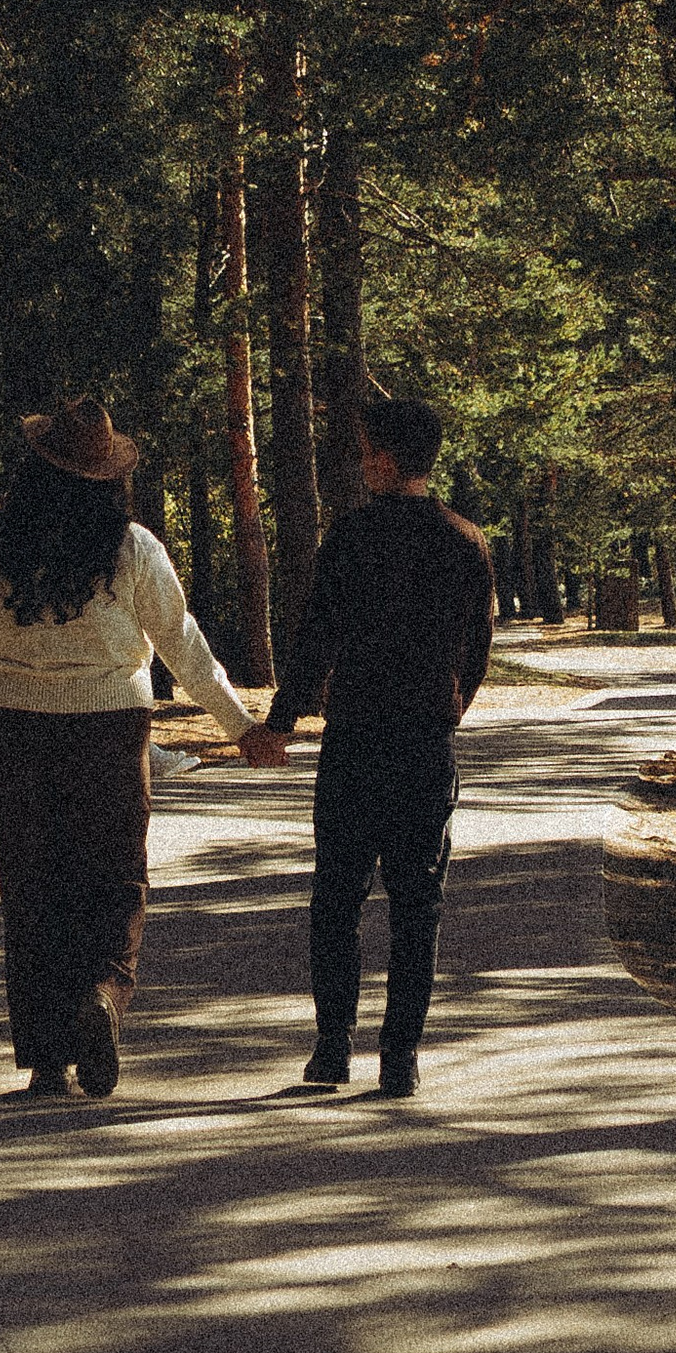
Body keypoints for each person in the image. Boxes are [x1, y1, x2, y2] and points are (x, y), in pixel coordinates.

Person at [0, 396, 255, 1099]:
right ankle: (105, 995)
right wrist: (239, 726)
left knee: (31, 885)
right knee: (115, 879)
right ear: (109, 477)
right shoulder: (133, 547)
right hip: (111, 727)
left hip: (18, 726)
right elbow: (183, 646)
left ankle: (48, 1059)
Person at [240, 390, 495, 1098]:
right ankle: (400, 1057)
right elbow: (477, 651)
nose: (361, 466)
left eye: (364, 454)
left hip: (354, 741)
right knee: (419, 902)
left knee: (337, 899)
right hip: (423, 745)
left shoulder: (348, 539)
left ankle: (330, 1052)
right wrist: (450, 708)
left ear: (383, 459)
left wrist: (281, 722)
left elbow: (314, 641)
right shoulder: (466, 542)